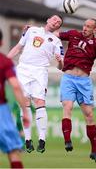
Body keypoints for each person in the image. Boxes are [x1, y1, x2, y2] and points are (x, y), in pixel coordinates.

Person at [7, 15, 64, 153]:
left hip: (40, 72)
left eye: (59, 22)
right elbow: (18, 48)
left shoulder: (57, 42)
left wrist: (59, 61)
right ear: (48, 20)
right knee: (24, 103)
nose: (56, 22)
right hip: (24, 69)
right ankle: (27, 140)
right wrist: (5, 61)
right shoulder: (31, 31)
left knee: (39, 102)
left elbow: (61, 67)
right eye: (55, 19)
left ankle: (42, 140)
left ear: (58, 27)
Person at [58, 18, 96, 164]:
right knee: (67, 108)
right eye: (85, 25)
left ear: (94, 30)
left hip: (84, 82)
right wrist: (36, 30)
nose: (85, 28)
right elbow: (55, 35)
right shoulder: (73, 34)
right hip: (68, 79)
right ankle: (67, 140)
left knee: (89, 115)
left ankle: (95, 151)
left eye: (89, 27)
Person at [0, 29, 29, 168]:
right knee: (13, 151)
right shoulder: (4, 61)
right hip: (1, 110)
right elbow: (16, 87)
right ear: (1, 42)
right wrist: (26, 112)